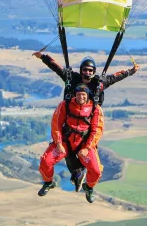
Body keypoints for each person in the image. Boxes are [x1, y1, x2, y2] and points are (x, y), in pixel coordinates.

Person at [33, 51, 139, 191]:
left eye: (90, 70)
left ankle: (84, 181)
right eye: (85, 70)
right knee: (55, 157)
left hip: (86, 130)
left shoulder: (99, 83)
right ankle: (59, 179)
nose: (87, 73)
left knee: (92, 166)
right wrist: (43, 57)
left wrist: (131, 71)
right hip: (69, 125)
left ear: (93, 72)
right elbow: (57, 68)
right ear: (81, 70)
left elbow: (115, 77)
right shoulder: (72, 79)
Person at [38, 83, 104, 203]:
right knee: (45, 162)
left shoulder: (95, 108)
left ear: (88, 95)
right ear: (75, 94)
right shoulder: (66, 104)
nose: (81, 97)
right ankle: (48, 182)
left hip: (84, 144)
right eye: (78, 94)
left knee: (96, 170)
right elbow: (56, 124)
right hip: (65, 141)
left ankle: (88, 188)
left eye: (83, 95)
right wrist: (58, 143)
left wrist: (88, 148)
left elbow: (96, 131)